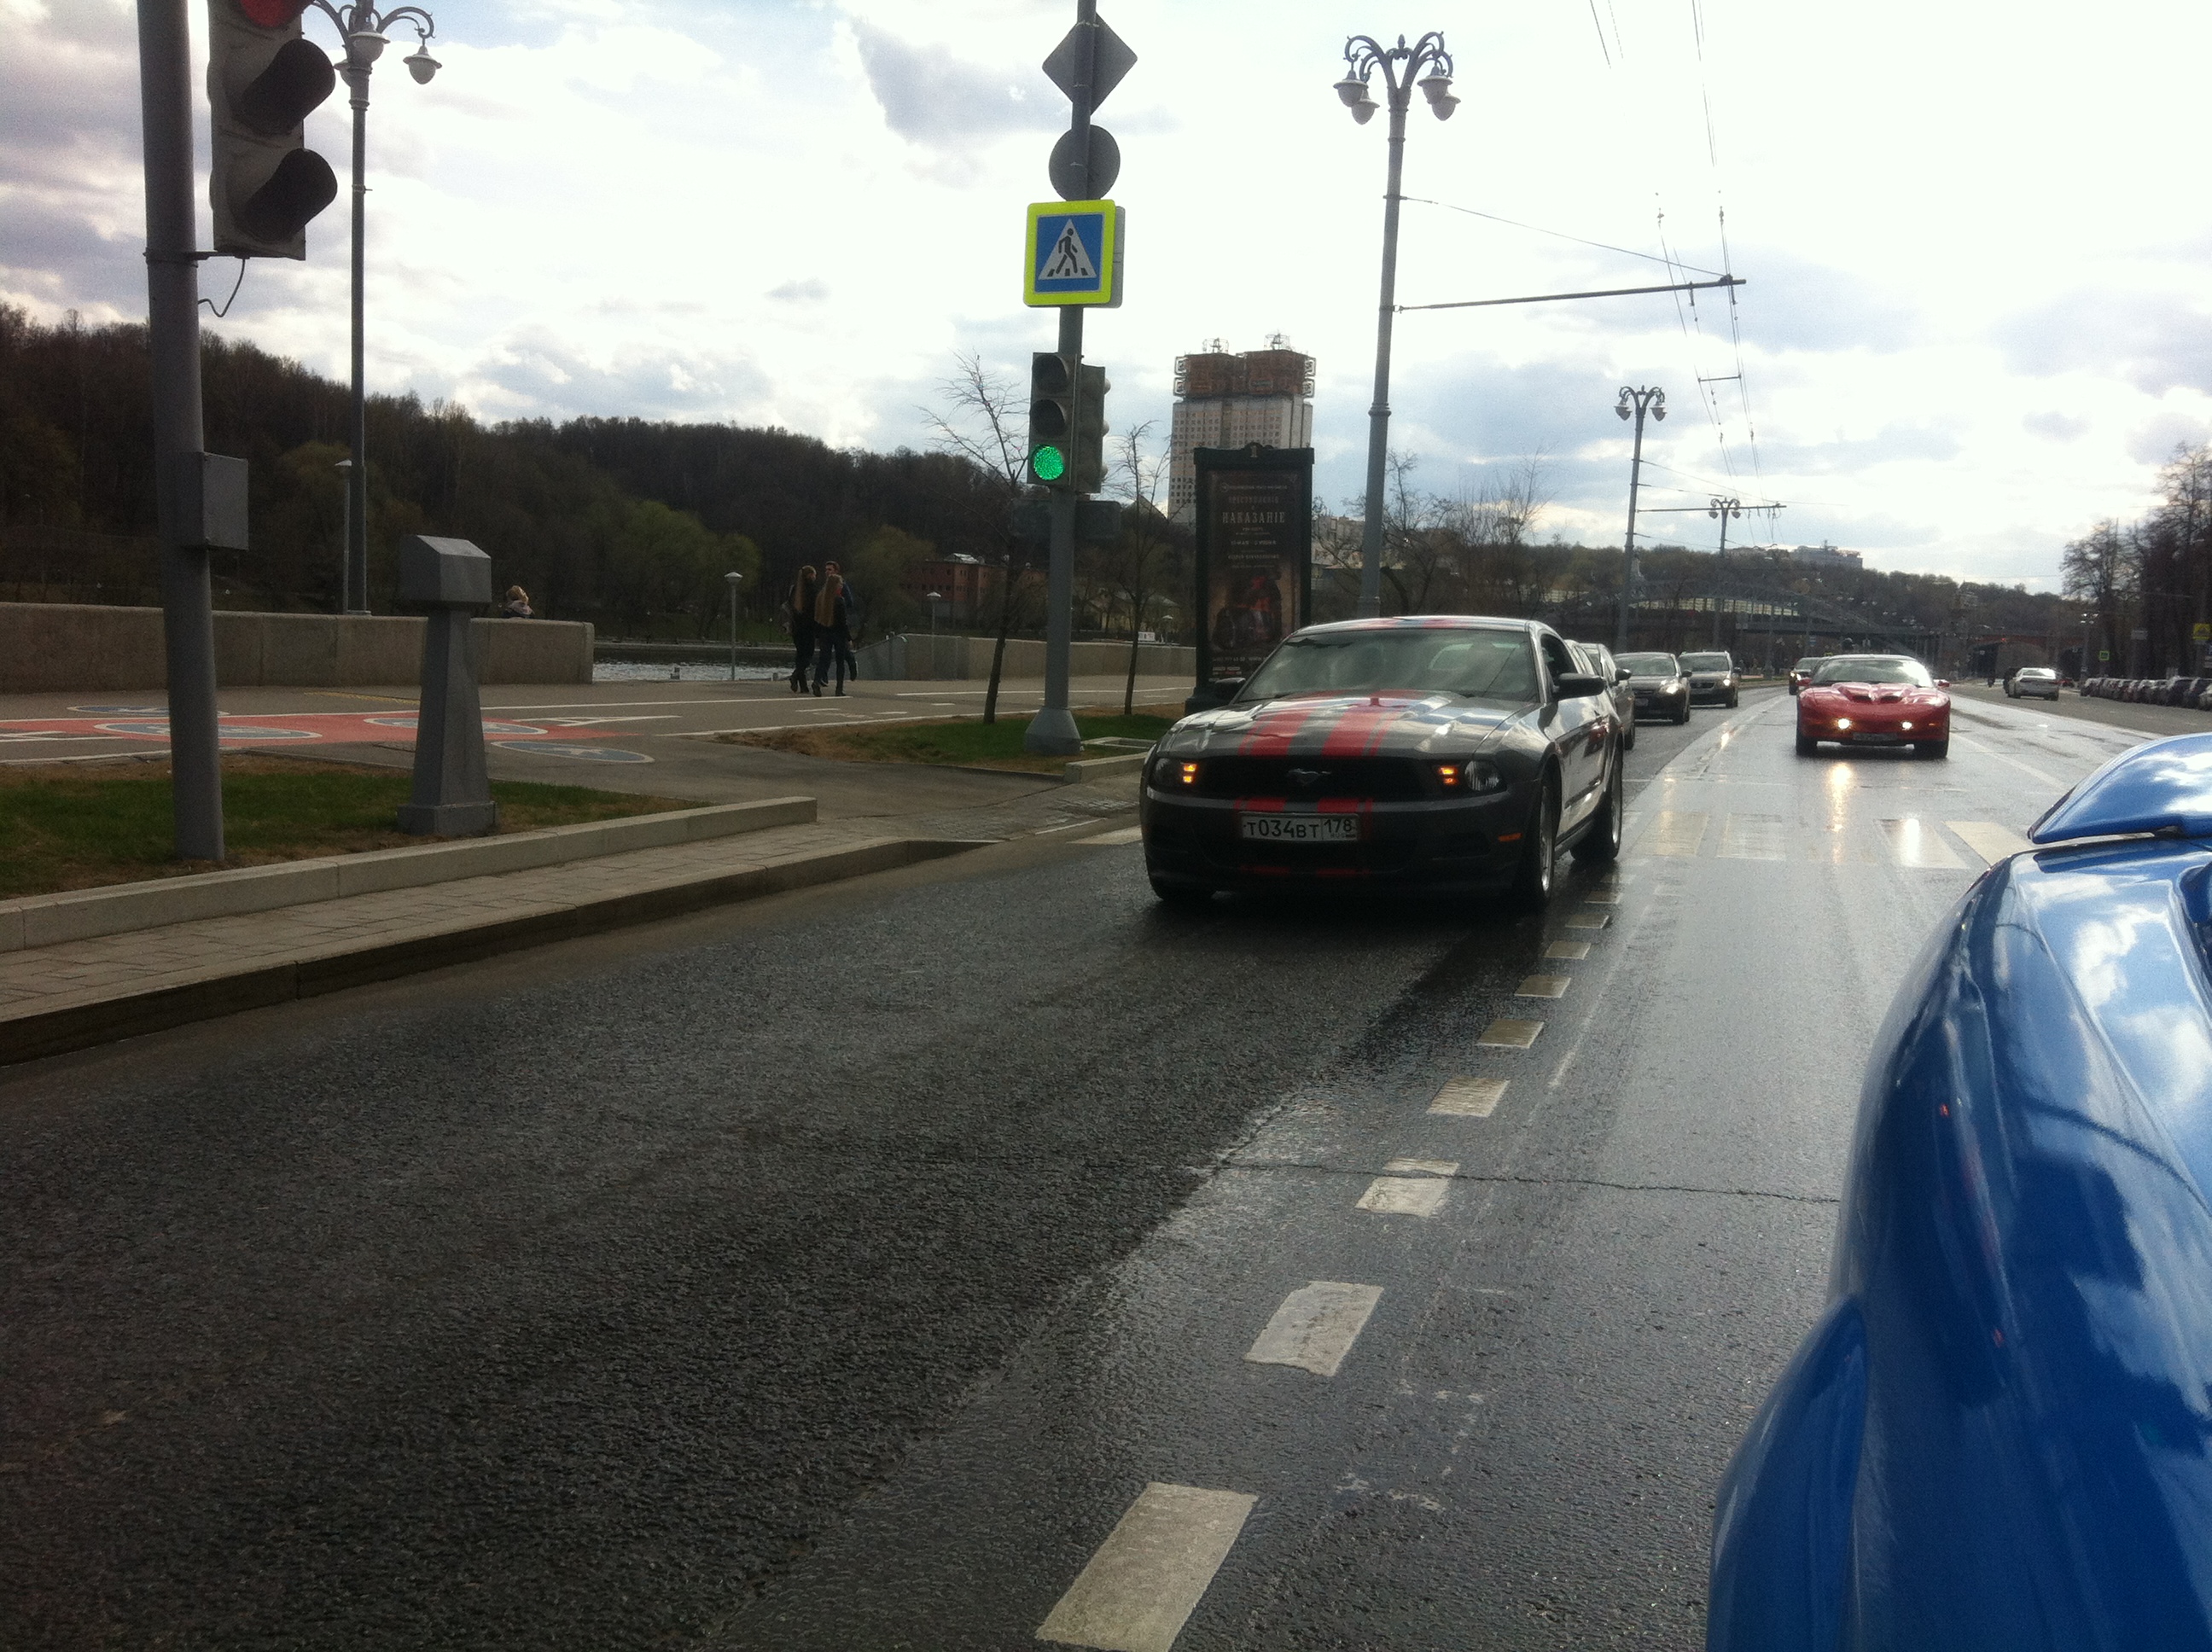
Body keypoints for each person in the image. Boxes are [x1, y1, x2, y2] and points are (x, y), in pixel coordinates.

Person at [811, 562, 858, 696]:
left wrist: (818, 633)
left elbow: (817, 617)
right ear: (837, 586)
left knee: (823, 659)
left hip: (824, 632)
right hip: (838, 634)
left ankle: (817, 681)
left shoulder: (821, 597)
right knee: (840, 661)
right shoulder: (839, 601)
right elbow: (843, 623)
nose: (841, 586)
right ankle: (839, 688)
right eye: (840, 585)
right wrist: (849, 638)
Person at [786, 565, 818, 694]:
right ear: (810, 575)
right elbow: (814, 609)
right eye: (814, 575)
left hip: (796, 628)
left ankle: (803, 685)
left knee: (800, 655)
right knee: (808, 655)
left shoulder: (796, 589)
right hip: (809, 627)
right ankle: (795, 676)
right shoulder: (812, 590)